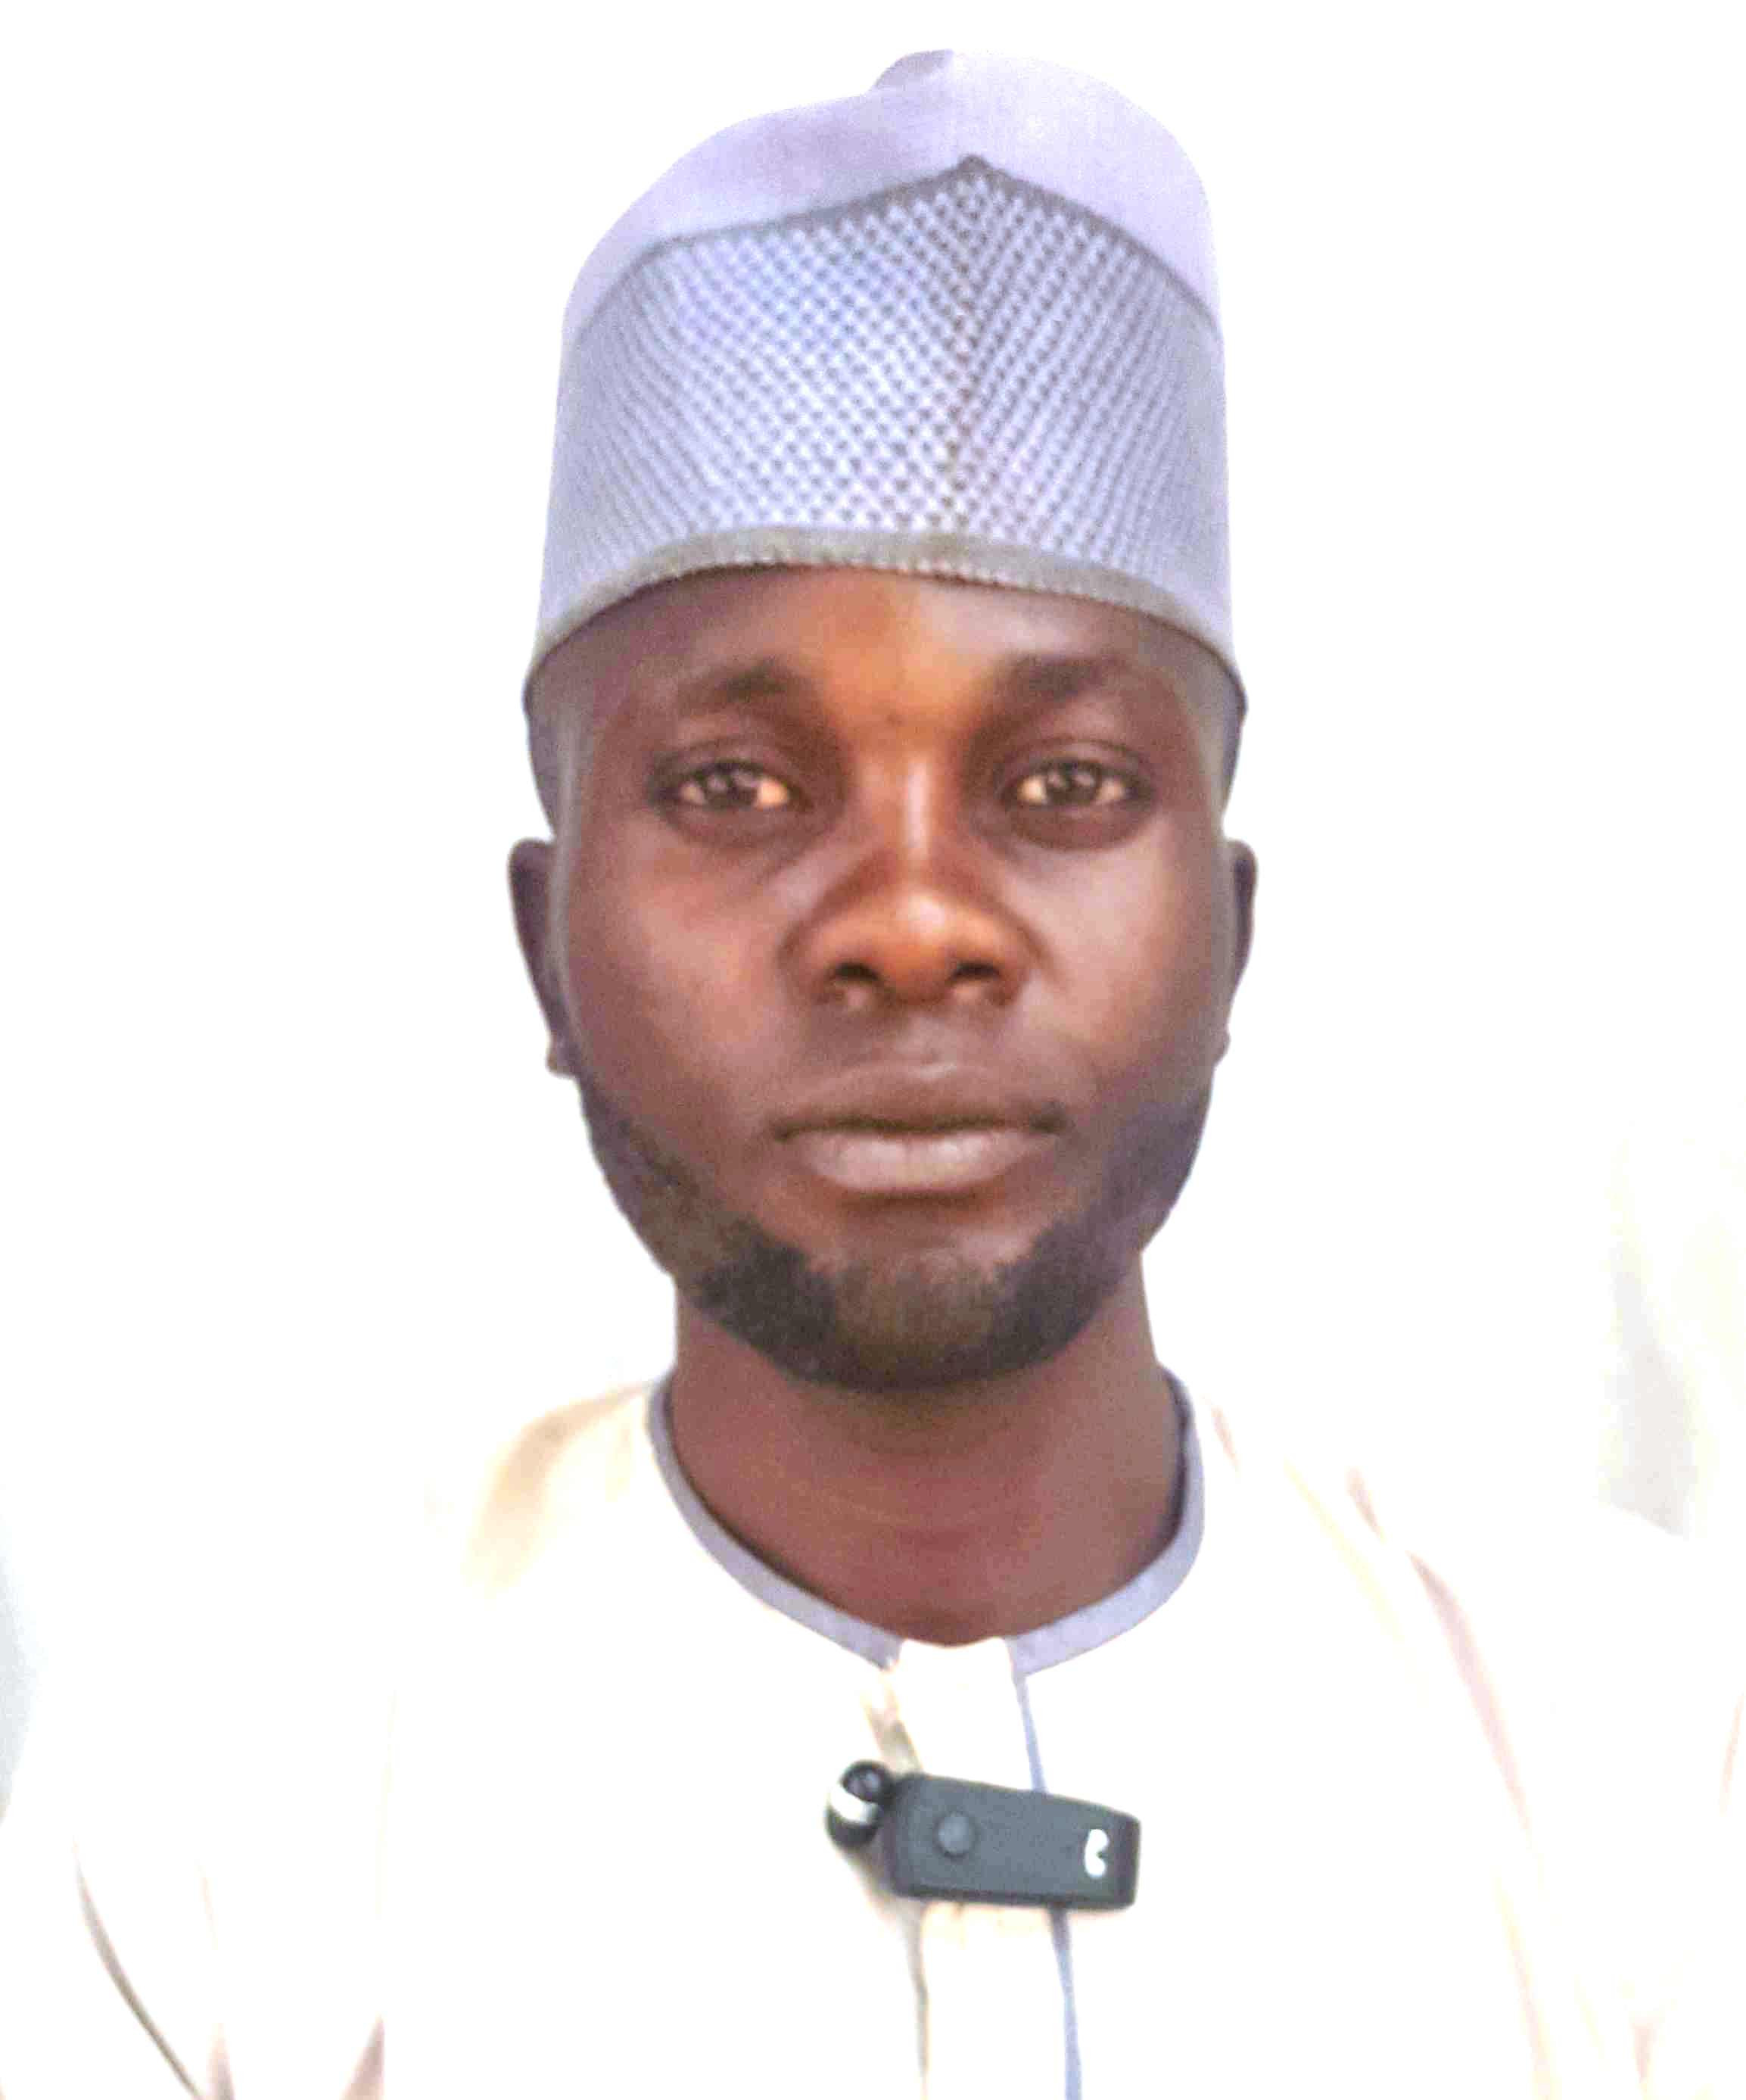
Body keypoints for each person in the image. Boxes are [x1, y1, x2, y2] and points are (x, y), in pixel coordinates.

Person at [0, 48, 1738, 2099]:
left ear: (1229, 933)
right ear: (545, 945)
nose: (911, 923)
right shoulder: (225, 1807)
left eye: (1064, 784)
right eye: (734, 786)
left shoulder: (1640, 1753)